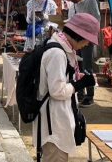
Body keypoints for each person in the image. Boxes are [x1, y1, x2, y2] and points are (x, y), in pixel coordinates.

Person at [34, 13, 98, 162]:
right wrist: (79, 84)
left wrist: (76, 78)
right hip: (54, 125)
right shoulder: (57, 53)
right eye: (87, 40)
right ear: (79, 35)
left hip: (56, 121)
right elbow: (57, 91)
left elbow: (58, 79)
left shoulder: (60, 47)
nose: (87, 44)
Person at [65, 0, 100, 108]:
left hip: (86, 39)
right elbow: (70, 19)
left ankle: (90, 96)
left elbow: (97, 19)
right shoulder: (73, 6)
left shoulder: (90, 2)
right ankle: (79, 91)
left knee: (87, 66)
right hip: (75, 39)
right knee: (77, 64)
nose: (71, 1)